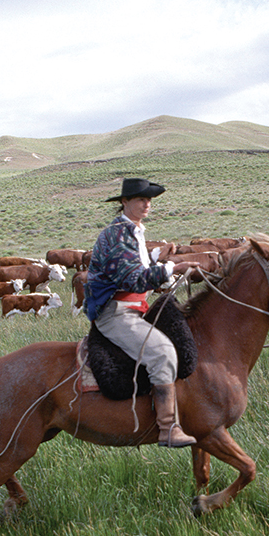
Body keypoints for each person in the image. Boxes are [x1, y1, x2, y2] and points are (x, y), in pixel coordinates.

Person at [84, 178, 201, 447]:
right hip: (116, 313)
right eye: (140, 199)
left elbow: (137, 263)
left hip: (135, 309)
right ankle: (168, 428)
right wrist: (173, 268)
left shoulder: (133, 231)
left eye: (149, 199)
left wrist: (158, 256)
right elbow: (131, 280)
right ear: (124, 202)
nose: (147, 203)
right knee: (163, 352)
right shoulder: (116, 234)